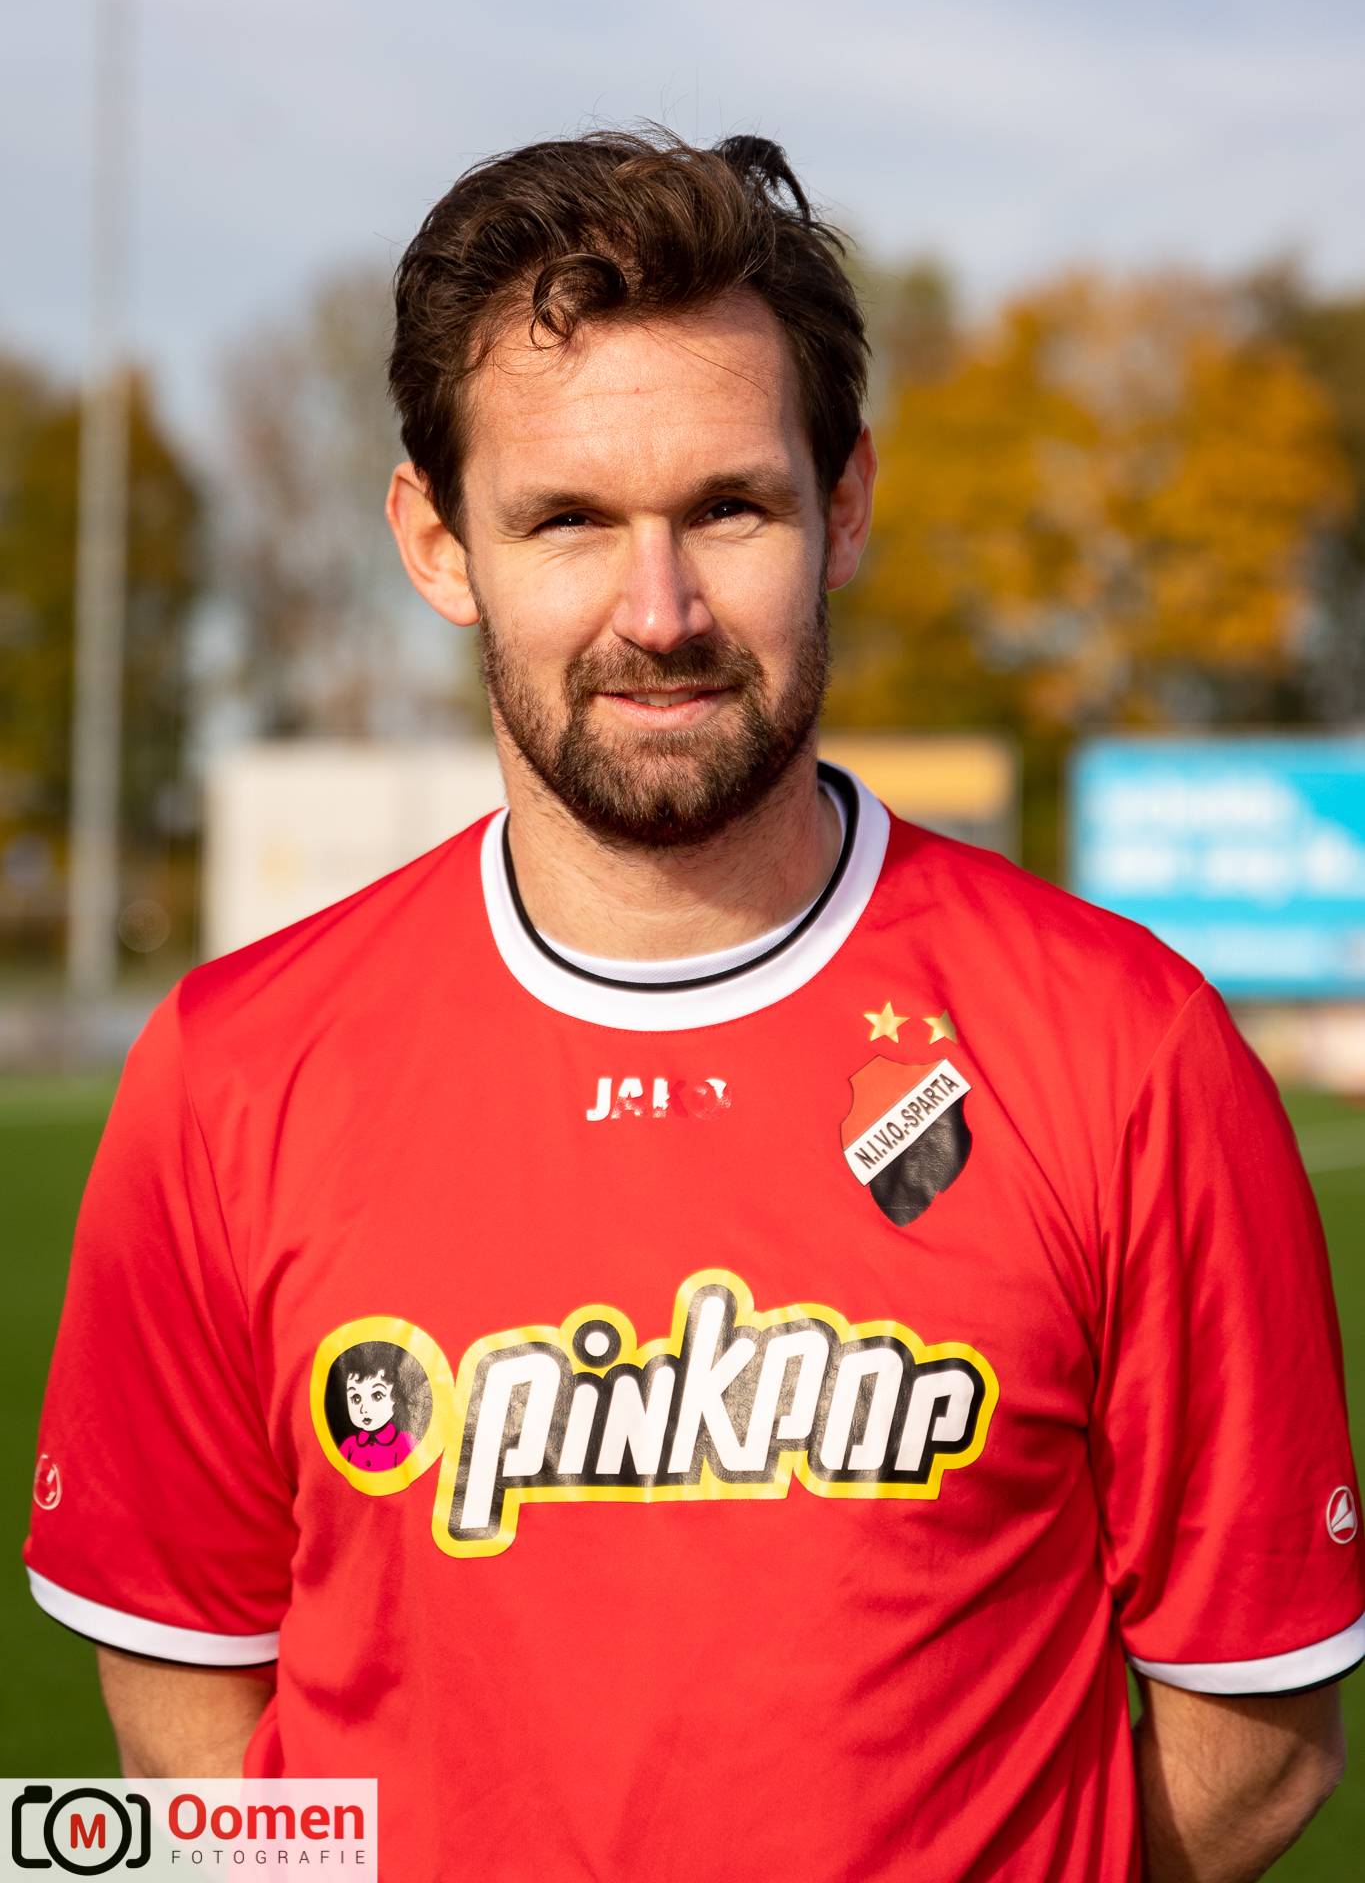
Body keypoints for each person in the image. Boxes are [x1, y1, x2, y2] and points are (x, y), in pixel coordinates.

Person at [25, 128, 1363, 1882]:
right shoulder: (230, 1073)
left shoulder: (1125, 1050)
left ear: (844, 504)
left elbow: (1256, 1737)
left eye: (728, 508)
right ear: (436, 541)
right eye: (566, 519)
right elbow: (180, 1713)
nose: (656, 614)